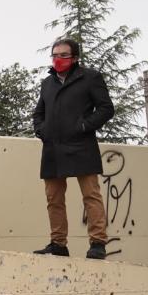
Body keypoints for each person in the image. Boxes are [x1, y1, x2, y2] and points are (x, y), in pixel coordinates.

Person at [32, 38, 114, 259]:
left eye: (63, 55)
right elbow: (38, 113)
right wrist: (42, 130)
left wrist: (84, 125)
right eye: (55, 55)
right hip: (53, 148)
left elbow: (106, 108)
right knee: (53, 198)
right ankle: (58, 244)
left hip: (81, 144)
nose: (58, 59)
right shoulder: (47, 83)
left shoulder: (90, 77)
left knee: (91, 195)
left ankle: (98, 243)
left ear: (75, 57)